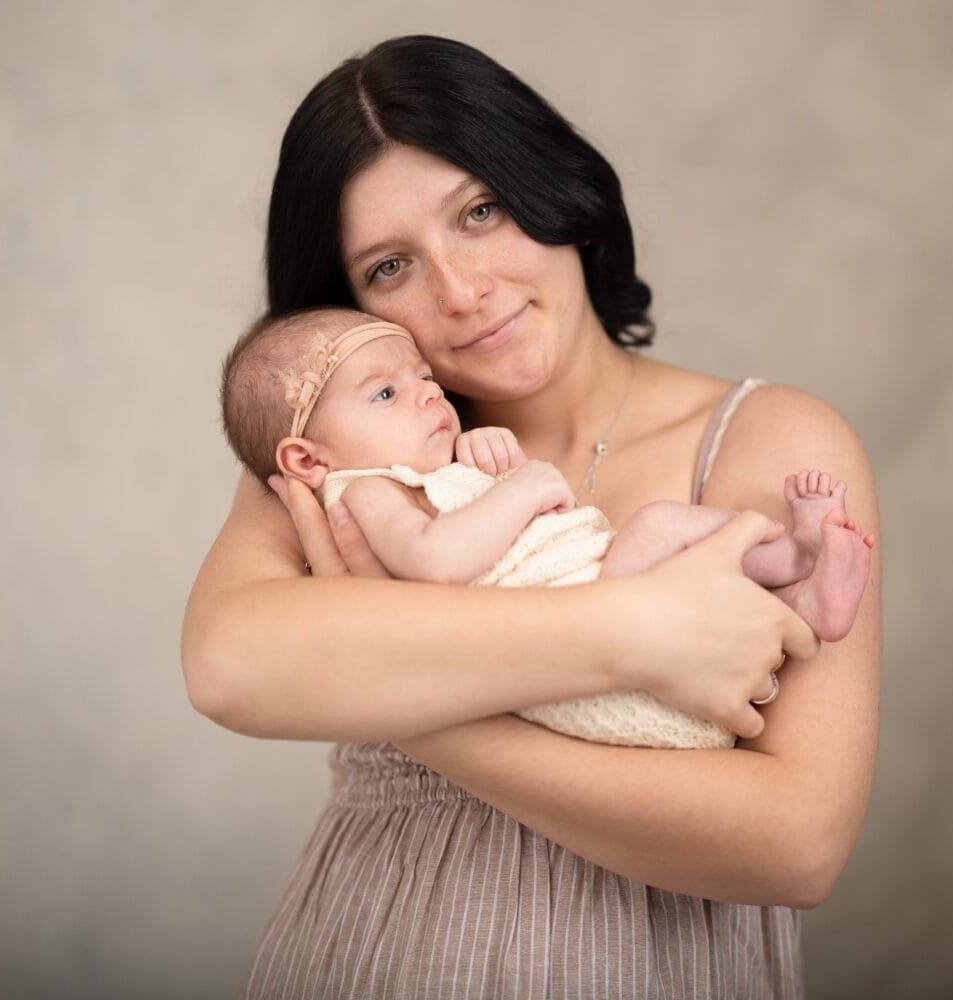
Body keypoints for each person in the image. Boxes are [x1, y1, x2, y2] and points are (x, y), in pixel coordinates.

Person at [182, 34, 881, 999]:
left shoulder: (771, 439)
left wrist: (399, 697)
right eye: (390, 268)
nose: (463, 293)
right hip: (380, 954)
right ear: (347, 309)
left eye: (482, 210)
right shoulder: (349, 457)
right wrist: (637, 630)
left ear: (557, 194)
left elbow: (795, 843)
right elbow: (228, 665)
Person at [219, 307, 875, 748]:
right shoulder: (361, 490)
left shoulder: (427, 467)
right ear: (308, 458)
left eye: (421, 378)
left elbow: (470, 513)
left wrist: (488, 462)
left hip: (591, 586)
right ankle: (789, 572)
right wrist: (526, 485)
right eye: (385, 394)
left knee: (661, 524)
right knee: (657, 531)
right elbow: (439, 561)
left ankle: (795, 566)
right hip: (569, 625)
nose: (427, 394)